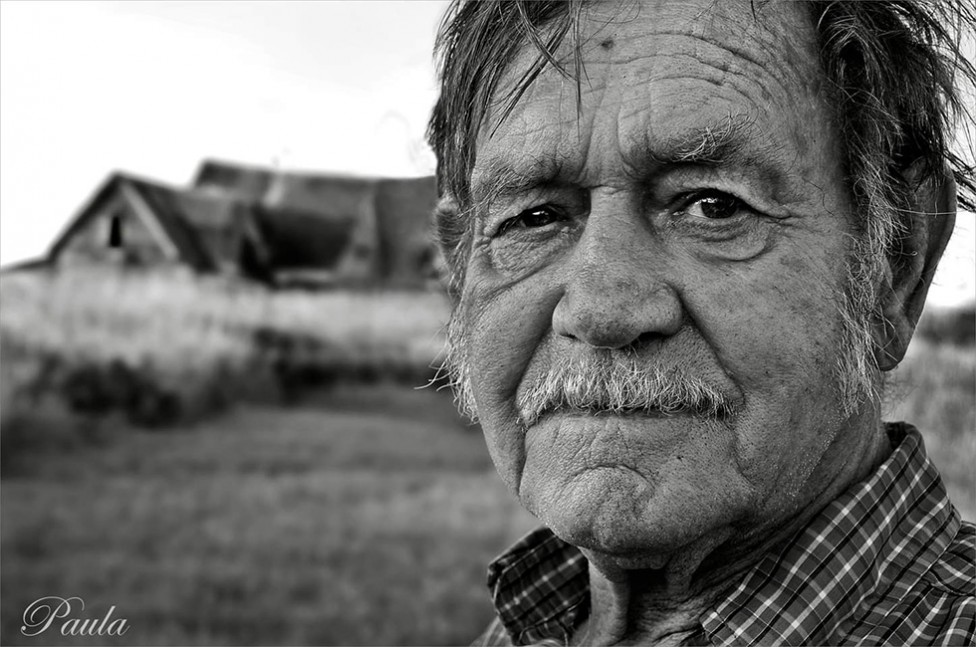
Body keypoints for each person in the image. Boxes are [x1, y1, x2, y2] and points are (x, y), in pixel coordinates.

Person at [426, 0, 976, 645]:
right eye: (534, 218)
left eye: (712, 206)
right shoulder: (529, 626)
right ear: (461, 273)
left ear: (895, 264)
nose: (601, 312)